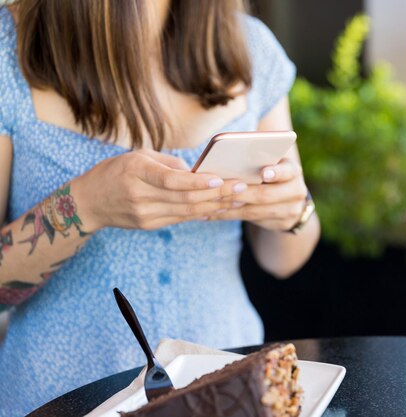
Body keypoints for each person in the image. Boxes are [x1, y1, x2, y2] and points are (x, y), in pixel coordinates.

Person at [0, 0, 320, 415]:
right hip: (57, 400)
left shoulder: (250, 46)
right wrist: (88, 204)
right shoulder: (9, 46)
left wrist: (292, 210)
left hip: (233, 392)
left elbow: (283, 260)